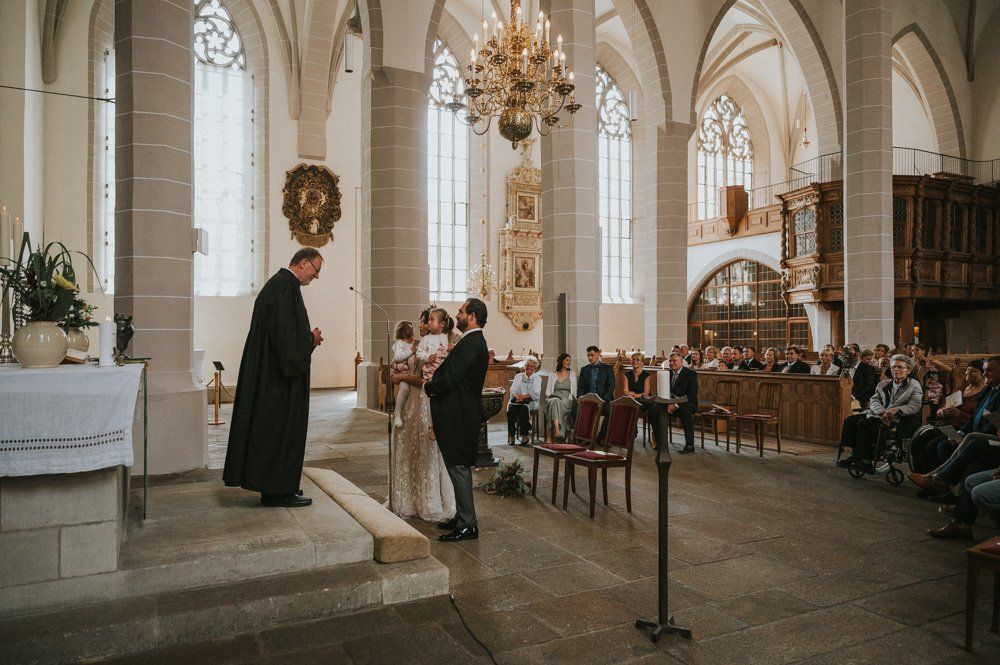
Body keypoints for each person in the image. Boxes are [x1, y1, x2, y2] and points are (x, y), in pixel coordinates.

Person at [223, 248, 324, 508]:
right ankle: (278, 492)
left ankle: (279, 486)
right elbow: (286, 340)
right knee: (280, 432)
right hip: (279, 381)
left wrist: (304, 339)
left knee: (273, 433)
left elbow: (283, 333)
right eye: (315, 269)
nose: (316, 276)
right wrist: (310, 340)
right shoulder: (285, 288)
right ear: (303, 263)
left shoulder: (279, 286)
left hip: (271, 376)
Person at [424, 298, 490, 542]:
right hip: (459, 412)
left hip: (458, 414)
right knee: (455, 465)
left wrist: (429, 386)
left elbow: (450, 377)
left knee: (459, 467)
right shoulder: (471, 342)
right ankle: (462, 515)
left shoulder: (471, 343)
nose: (457, 315)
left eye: (461, 312)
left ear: (471, 316)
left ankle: (467, 524)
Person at [837, 354, 923, 473]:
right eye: (893, 367)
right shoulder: (883, 384)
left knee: (865, 424)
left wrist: (897, 410)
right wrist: (881, 412)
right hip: (879, 414)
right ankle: (856, 454)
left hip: (899, 419)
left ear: (908, 370)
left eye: (900, 367)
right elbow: (874, 400)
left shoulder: (914, 385)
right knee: (850, 420)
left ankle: (866, 460)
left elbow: (915, 406)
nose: (896, 370)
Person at [909, 361, 987, 475]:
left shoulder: (984, 392)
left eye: (975, 371)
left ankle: (936, 478)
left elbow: (979, 417)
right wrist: (941, 412)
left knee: (932, 446)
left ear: (983, 375)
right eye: (968, 369)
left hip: (961, 428)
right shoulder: (961, 390)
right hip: (946, 426)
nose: (969, 372)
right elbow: (945, 405)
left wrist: (960, 415)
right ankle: (921, 475)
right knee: (917, 442)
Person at [649, 352, 699, 453]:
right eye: (670, 361)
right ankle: (660, 442)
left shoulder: (690, 374)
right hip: (668, 403)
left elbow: (692, 394)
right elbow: (662, 391)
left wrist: (676, 405)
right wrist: (667, 405)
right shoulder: (667, 373)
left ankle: (689, 445)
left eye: (674, 361)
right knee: (653, 409)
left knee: (685, 411)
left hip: (686, 403)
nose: (671, 363)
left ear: (681, 361)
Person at [578, 345, 615, 440]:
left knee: (610, 410)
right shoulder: (584, 369)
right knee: (579, 408)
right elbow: (581, 387)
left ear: (598, 354)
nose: (590, 358)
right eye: (588, 356)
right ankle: (584, 437)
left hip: (604, 399)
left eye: (592, 355)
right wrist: (581, 398)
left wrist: (603, 400)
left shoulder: (608, 368)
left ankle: (602, 437)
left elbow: (611, 386)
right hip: (588, 399)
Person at [507, 356, 541, 445]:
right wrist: (516, 396)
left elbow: (536, 394)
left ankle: (525, 435)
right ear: (524, 366)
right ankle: (512, 435)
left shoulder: (537, 378)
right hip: (518, 400)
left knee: (523, 409)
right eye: (527, 365)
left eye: (532, 366)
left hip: (531, 401)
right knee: (511, 409)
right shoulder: (518, 376)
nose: (529, 368)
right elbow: (512, 389)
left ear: (535, 368)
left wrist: (524, 397)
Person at [391, 320, 417, 429]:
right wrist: (412, 351)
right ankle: (397, 414)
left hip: (409, 372)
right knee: (405, 389)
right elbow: (398, 357)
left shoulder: (411, 343)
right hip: (401, 372)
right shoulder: (400, 343)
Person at [544, 353, 577, 442]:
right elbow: (547, 391)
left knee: (556, 403)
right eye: (567, 360)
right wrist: (552, 396)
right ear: (561, 361)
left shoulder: (572, 374)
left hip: (566, 399)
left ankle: (550, 435)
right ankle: (558, 431)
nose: (569, 362)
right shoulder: (552, 374)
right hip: (553, 397)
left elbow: (574, 392)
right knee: (555, 401)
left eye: (570, 360)